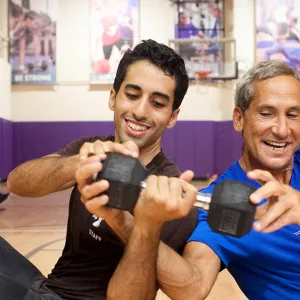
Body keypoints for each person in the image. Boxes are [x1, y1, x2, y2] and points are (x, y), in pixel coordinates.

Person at [88, 59, 300, 300]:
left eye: (293, 115)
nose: (282, 129)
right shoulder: (224, 204)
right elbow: (192, 288)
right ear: (239, 119)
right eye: (267, 113)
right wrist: (139, 225)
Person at [4, 39, 199, 299]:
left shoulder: (169, 189)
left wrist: (123, 220)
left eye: (158, 103)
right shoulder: (89, 148)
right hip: (48, 289)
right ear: (113, 97)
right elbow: (17, 183)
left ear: (173, 116)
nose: (140, 111)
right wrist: (78, 164)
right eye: (132, 95)